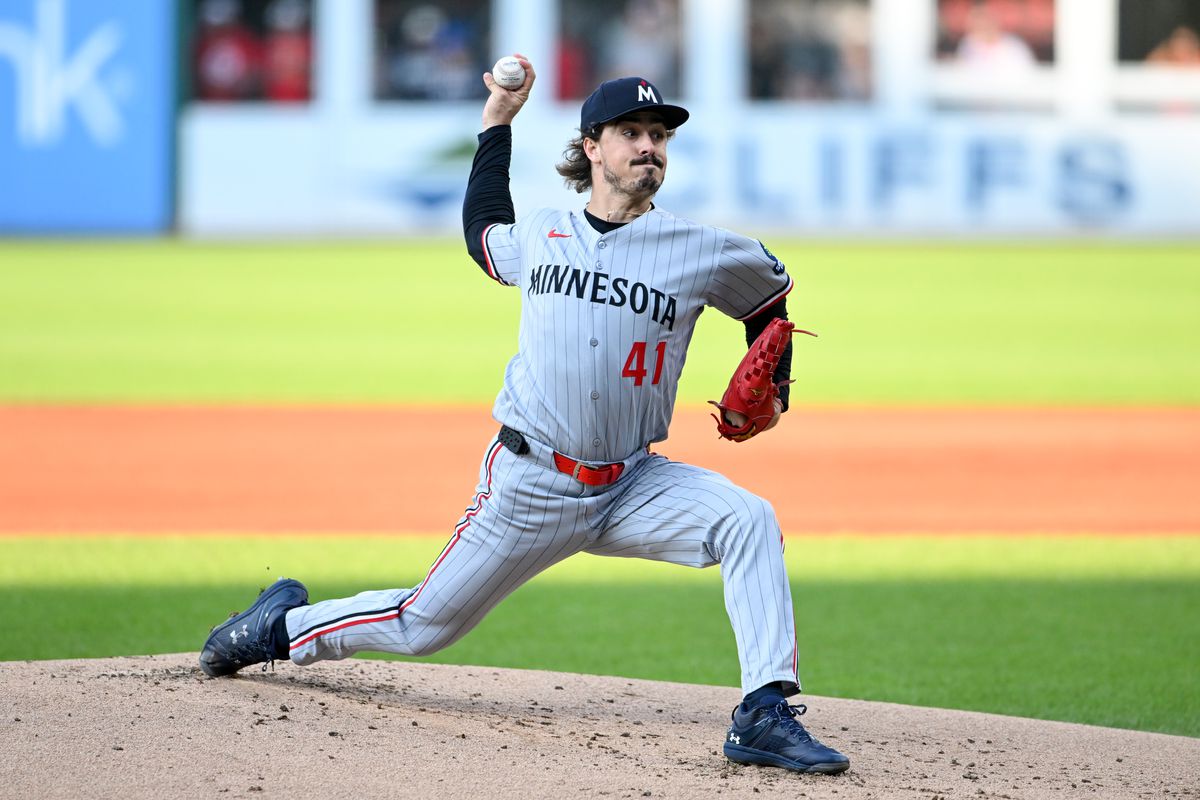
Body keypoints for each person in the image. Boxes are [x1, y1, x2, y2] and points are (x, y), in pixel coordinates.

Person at [199, 55, 850, 776]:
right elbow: (483, 232)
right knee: (421, 626)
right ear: (591, 146)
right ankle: (279, 629)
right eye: (631, 132)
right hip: (531, 484)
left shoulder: (701, 250)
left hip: (633, 484)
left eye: (660, 135)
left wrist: (776, 387)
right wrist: (496, 124)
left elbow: (769, 300)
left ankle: (763, 713)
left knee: (747, 519)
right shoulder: (543, 233)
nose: (649, 147)